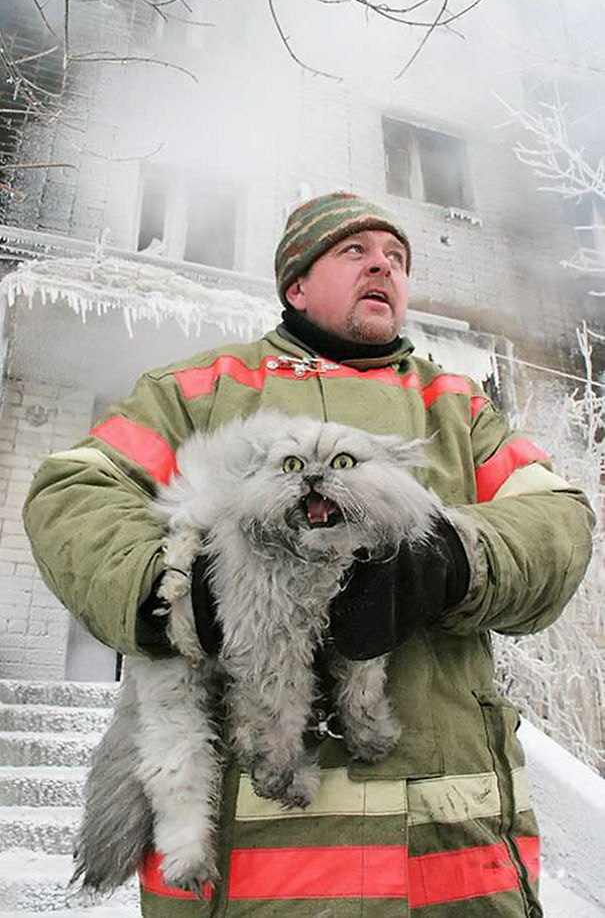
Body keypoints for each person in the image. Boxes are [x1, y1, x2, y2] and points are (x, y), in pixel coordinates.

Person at [23, 192, 594, 918]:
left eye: (395, 258)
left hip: (450, 853)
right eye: (354, 252)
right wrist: (178, 591)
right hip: (245, 881)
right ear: (296, 283)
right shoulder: (199, 390)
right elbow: (70, 492)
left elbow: (558, 519)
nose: (382, 266)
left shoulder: (457, 408)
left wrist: (450, 560)